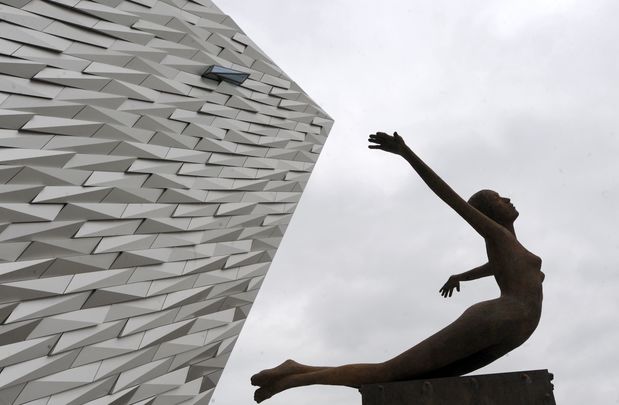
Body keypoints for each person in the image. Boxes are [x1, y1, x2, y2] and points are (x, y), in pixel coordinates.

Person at [250, 132, 544, 403]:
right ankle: (296, 380)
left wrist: (462, 276)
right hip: (500, 318)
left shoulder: (508, 244)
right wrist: (406, 153)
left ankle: (297, 368)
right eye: (497, 198)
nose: (506, 199)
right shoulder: (496, 235)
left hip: (515, 329)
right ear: (488, 212)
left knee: (407, 378)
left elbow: (498, 267)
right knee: (388, 373)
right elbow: (450, 197)